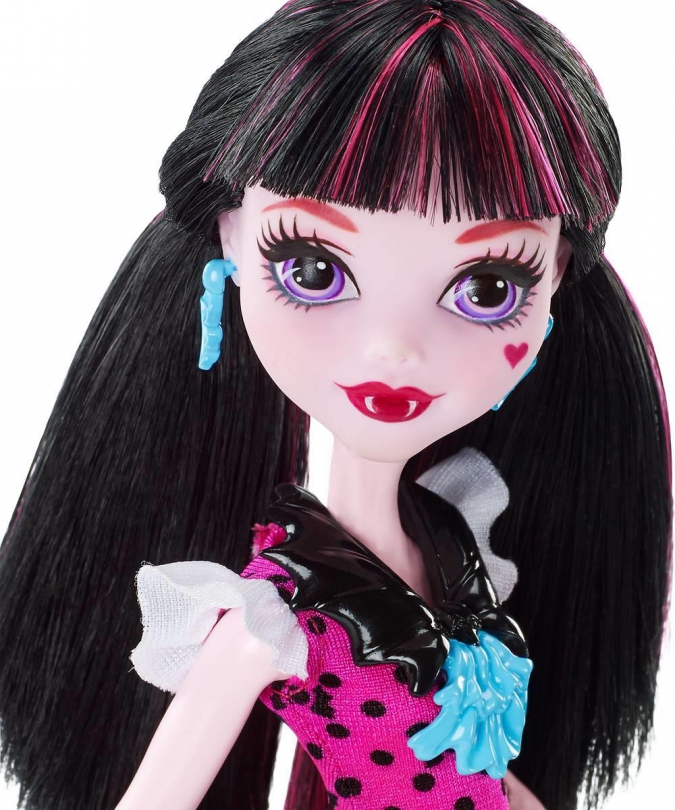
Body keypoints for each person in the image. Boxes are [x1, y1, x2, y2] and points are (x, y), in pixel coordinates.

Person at [0, 1, 671, 809]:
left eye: (488, 287)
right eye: (313, 270)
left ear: (555, 279)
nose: (393, 350)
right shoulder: (274, 615)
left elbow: (483, 776)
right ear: (230, 241)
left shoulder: (459, 542)